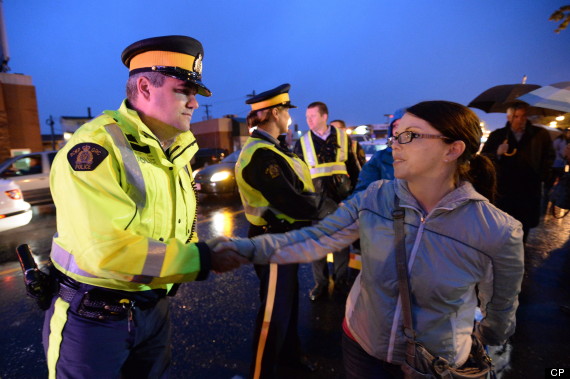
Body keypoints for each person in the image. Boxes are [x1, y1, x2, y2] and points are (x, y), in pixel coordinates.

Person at [217, 100, 525, 378]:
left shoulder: (497, 231)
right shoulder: (376, 197)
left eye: (410, 135)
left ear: (453, 149)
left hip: (435, 364)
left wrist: (465, 342)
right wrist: (236, 249)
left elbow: (500, 315)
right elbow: (317, 237)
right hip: (361, 348)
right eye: (395, 136)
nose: (394, 146)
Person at [43, 35, 246, 378]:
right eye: (184, 90)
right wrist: (203, 258)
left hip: (153, 309)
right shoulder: (96, 148)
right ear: (145, 87)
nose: (194, 103)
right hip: (95, 320)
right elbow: (105, 250)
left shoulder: (173, 150)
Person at [237, 84, 336, 378]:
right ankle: (261, 372)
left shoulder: (273, 148)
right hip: (274, 242)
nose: (290, 118)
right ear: (276, 113)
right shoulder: (262, 154)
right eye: (287, 112)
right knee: (273, 315)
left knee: (287, 307)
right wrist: (327, 213)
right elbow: (291, 201)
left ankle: (290, 360)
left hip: (283, 239)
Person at [294, 102, 362, 301]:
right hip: (317, 203)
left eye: (312, 116)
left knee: (341, 245)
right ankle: (320, 283)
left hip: (342, 201)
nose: (308, 120)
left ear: (325, 116)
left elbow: (355, 170)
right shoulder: (302, 142)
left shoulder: (343, 138)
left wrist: (353, 198)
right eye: (307, 117)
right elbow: (298, 176)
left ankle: (341, 282)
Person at [481, 102, 554, 243]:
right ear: (509, 117)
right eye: (516, 116)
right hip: (504, 190)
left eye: (523, 116)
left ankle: (518, 257)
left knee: (523, 227)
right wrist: (497, 153)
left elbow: (548, 157)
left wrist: (542, 176)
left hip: (528, 189)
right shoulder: (498, 135)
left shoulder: (540, 135)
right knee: (501, 226)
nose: (520, 120)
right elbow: (484, 159)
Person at [350, 108, 405, 196]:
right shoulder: (380, 158)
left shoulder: (427, 157)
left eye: (402, 125)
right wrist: (347, 207)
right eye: (395, 126)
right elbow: (363, 192)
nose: (397, 130)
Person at [547, 127, 570, 194]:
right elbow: (563, 154)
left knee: (550, 182)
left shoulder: (553, 141)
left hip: (552, 164)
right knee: (561, 181)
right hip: (560, 164)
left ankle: (547, 197)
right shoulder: (562, 141)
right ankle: (556, 195)